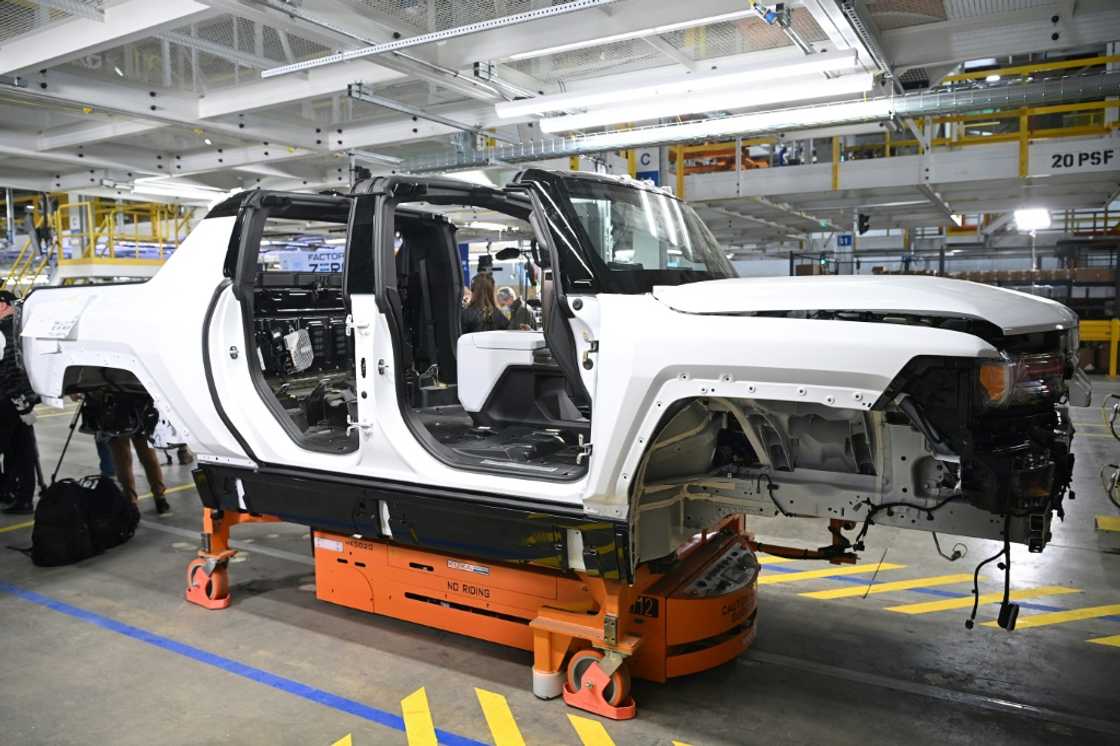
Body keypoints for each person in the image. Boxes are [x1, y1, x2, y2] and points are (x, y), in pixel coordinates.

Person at [0, 290, 40, 515]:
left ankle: (9, 490)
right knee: (24, 452)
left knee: (19, 452)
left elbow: (9, 371)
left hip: (8, 402)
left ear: (5, 305)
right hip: (22, 401)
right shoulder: (21, 328)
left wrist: (18, 402)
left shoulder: (3, 332)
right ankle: (22, 497)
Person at [109, 424, 170, 515]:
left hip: (114, 422)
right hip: (139, 418)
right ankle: (160, 497)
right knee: (149, 458)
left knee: (123, 463)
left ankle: (131, 502)